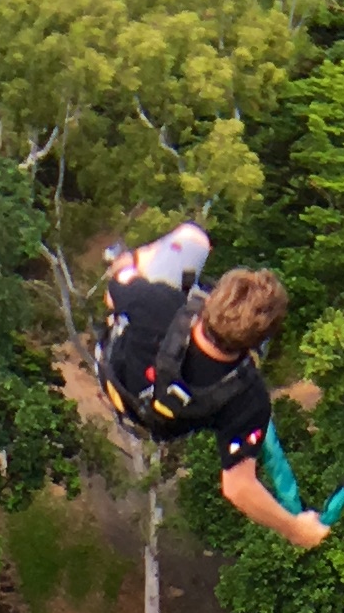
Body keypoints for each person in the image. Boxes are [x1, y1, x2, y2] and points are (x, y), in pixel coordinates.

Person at [98, 232, 329, 550]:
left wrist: (127, 262)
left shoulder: (160, 306)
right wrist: (294, 529)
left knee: (193, 238)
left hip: (117, 381)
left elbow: (119, 281)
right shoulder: (249, 399)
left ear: (213, 300)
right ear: (259, 341)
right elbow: (238, 488)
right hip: (154, 420)